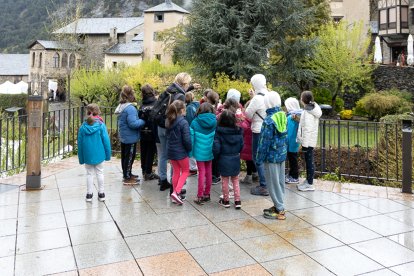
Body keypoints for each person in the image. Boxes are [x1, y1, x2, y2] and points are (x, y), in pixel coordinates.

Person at [157, 72, 192, 191]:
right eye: (188, 83)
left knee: (163, 154)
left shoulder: (169, 89)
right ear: (185, 83)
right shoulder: (181, 96)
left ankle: (162, 180)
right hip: (170, 127)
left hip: (160, 125)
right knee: (174, 156)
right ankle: (175, 184)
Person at [257, 91, 288, 220]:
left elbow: (264, 142)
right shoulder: (282, 115)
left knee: (272, 183)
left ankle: (280, 209)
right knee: (279, 182)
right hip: (281, 154)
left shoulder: (269, 121)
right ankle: (278, 205)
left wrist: (259, 157)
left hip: (271, 157)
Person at [77, 104, 111, 202]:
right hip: (99, 154)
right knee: (100, 173)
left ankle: (89, 194)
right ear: (98, 111)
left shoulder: (83, 127)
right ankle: (101, 193)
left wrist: (81, 158)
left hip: (88, 154)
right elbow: (106, 141)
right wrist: (107, 155)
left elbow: (80, 144)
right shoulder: (101, 125)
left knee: (89, 174)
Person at [115, 85, 145, 185]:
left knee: (125, 156)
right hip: (130, 137)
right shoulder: (130, 108)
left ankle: (127, 174)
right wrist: (142, 121)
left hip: (124, 136)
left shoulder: (121, 106)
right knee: (129, 157)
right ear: (131, 95)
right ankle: (127, 178)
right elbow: (133, 124)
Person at [213, 110, 244, 209]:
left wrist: (216, 156)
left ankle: (226, 200)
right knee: (235, 179)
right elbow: (241, 146)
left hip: (223, 158)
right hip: (235, 157)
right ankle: (237, 200)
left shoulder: (218, 132)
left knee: (225, 180)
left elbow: (216, 147)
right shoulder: (238, 131)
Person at [245, 74, 269, 196]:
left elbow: (248, 114)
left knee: (257, 157)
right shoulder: (270, 95)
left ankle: (264, 185)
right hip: (269, 130)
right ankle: (269, 182)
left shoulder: (257, 99)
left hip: (258, 130)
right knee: (267, 157)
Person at [166, 100, 192, 205]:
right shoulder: (183, 122)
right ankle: (177, 192)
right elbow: (186, 139)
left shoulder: (169, 121)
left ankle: (174, 194)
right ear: (181, 110)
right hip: (181, 151)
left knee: (176, 172)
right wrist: (189, 148)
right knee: (186, 171)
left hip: (171, 151)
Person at [190, 103, 217, 205]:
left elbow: (191, 139)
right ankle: (207, 194)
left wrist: (190, 152)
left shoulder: (194, 122)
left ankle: (200, 196)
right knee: (209, 172)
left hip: (199, 151)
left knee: (201, 172)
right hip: (210, 151)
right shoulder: (215, 121)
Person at [296, 91, 322, 192]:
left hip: (308, 142)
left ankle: (310, 184)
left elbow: (307, 129)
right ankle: (308, 181)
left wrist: (305, 144)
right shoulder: (311, 109)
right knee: (308, 161)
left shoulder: (308, 112)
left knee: (309, 162)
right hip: (310, 140)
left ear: (303, 99)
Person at [138, 84, 159, 181]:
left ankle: (144, 170)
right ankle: (148, 172)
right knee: (151, 151)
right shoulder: (156, 103)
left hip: (143, 130)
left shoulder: (142, 105)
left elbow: (139, 116)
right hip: (152, 130)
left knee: (144, 151)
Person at [240, 100, 258, 185]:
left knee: (249, 161)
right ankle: (255, 173)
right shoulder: (257, 119)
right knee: (253, 159)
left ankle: (249, 176)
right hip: (254, 142)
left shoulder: (246, 119)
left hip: (247, 144)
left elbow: (243, 129)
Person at [284, 97, 302, 184]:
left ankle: (295, 177)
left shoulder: (292, 116)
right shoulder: (297, 115)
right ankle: (291, 174)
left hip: (291, 142)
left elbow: (289, 131)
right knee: (292, 159)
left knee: (292, 159)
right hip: (295, 141)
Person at [185, 92, 200, 176]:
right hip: (196, 130)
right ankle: (193, 167)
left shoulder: (189, 108)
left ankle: (193, 169)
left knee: (191, 149)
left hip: (191, 130)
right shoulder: (197, 105)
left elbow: (190, 120)